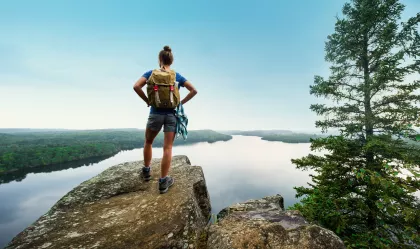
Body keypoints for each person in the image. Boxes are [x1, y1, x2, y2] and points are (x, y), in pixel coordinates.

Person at [133, 45, 198, 194]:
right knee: (167, 148)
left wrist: (147, 100)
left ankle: (147, 171)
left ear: (160, 59)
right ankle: (163, 182)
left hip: (155, 113)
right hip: (171, 115)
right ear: (171, 60)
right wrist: (180, 103)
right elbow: (194, 90)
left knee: (148, 141)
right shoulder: (177, 76)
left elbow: (136, 86)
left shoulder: (151, 73)